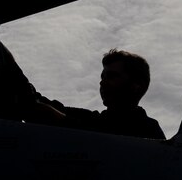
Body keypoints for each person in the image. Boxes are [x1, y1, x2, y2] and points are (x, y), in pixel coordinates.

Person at [28, 49, 165, 139]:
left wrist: (57, 118)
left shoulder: (149, 131)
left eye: (112, 76)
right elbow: (37, 102)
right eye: (102, 77)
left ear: (137, 85)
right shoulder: (92, 119)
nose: (102, 83)